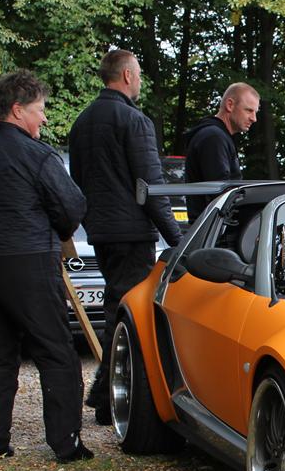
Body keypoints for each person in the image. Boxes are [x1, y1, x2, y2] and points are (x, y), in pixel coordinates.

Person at [0, 70, 91, 462]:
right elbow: (72, 207)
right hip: (26, 263)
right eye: (39, 110)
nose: (44, 119)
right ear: (17, 109)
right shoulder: (38, 156)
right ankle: (66, 443)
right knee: (55, 350)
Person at [69, 49, 182, 425]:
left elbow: (80, 180)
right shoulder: (134, 121)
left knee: (115, 305)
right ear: (128, 76)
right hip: (132, 232)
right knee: (131, 314)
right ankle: (114, 395)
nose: (141, 81)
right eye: (140, 74)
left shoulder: (82, 122)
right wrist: (176, 237)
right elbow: (150, 185)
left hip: (101, 230)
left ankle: (106, 394)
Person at [184, 82, 260, 218]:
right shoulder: (213, 137)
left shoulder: (216, 135)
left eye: (255, 112)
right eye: (249, 110)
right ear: (230, 105)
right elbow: (222, 194)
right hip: (213, 230)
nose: (254, 118)